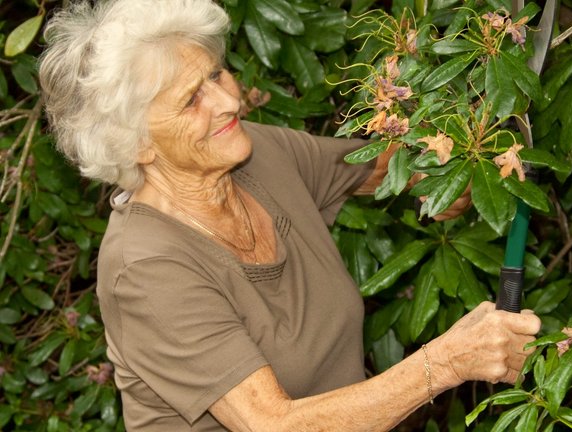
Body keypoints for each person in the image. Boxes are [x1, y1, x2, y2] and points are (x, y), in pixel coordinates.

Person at [38, 0, 541, 430]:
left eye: (215, 73)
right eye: (193, 99)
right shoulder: (145, 269)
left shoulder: (257, 154)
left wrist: (459, 168)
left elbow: (384, 169)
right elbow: (274, 424)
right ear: (138, 144)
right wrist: (449, 361)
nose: (229, 100)